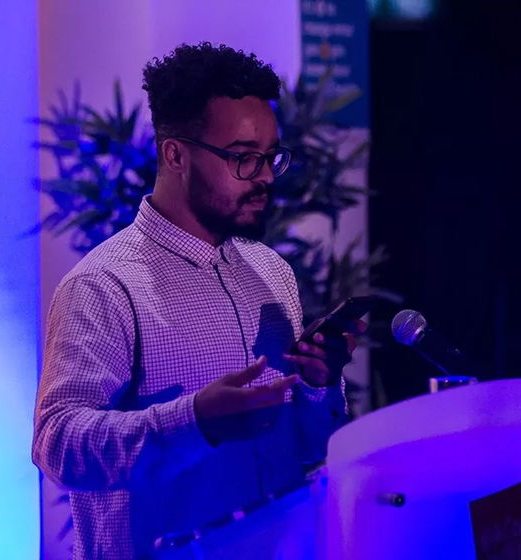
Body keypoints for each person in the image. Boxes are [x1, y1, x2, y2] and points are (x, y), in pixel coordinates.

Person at [32, 42, 365, 560]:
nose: (266, 176)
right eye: (243, 158)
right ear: (175, 154)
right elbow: (58, 445)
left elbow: (303, 451)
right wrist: (194, 422)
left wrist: (320, 388)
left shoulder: (272, 274)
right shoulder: (104, 284)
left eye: (271, 156)